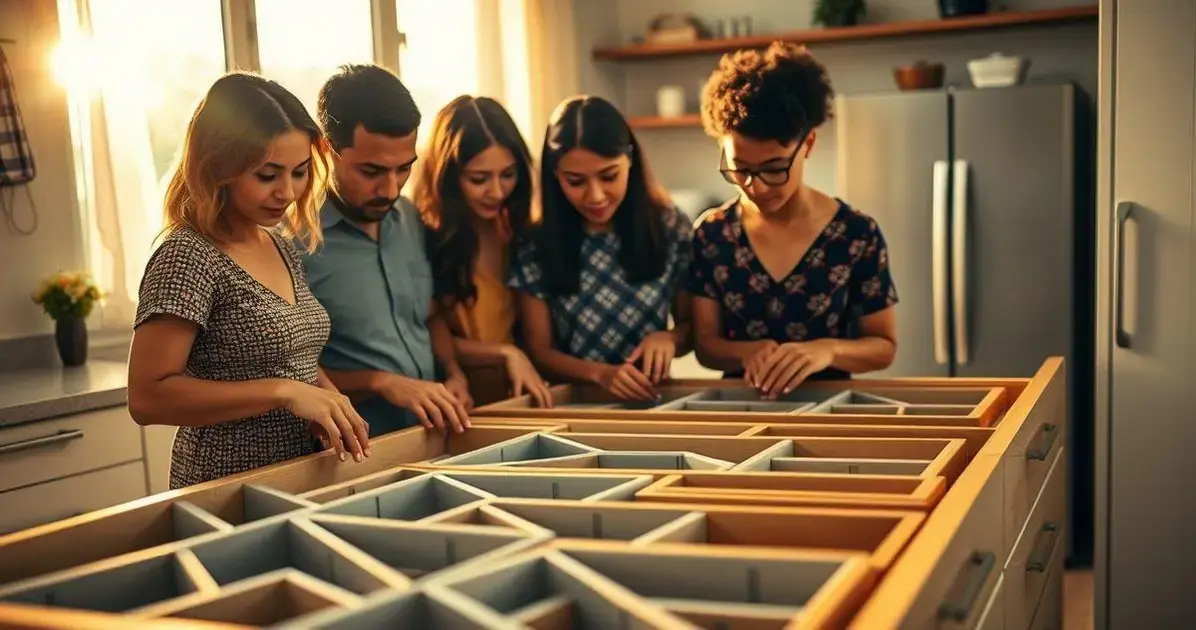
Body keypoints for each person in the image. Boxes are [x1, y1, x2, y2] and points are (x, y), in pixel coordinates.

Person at [127, 72, 371, 491]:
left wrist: (332, 406)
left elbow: (290, 358)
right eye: (267, 175)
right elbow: (147, 398)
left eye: (299, 172)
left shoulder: (279, 244)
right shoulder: (187, 255)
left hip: (297, 477)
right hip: (224, 486)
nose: (288, 192)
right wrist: (283, 392)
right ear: (218, 166)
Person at [689, 42, 899, 398]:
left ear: (808, 145)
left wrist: (828, 350)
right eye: (740, 169)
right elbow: (705, 344)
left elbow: (883, 346)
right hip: (738, 408)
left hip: (831, 412)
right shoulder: (712, 234)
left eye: (774, 168)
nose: (755, 187)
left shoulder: (856, 234)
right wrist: (745, 352)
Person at [302, 64, 472, 437]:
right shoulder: (292, 243)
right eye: (372, 171)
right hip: (355, 450)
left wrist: (453, 372)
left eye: (404, 169)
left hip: (432, 438)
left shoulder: (410, 218)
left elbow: (428, 317)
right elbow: (291, 372)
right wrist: (380, 382)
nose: (391, 189)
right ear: (326, 150)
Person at [509, 95, 693, 402]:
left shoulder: (669, 226)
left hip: (654, 400)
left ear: (630, 160)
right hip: (571, 405)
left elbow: (692, 329)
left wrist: (669, 339)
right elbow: (539, 352)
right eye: (575, 181)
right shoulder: (535, 242)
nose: (595, 196)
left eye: (609, 176)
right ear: (555, 174)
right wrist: (600, 374)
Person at [412, 95, 553, 408]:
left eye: (508, 175)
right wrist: (503, 353)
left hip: (524, 401)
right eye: (479, 179)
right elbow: (424, 332)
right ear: (449, 177)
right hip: (459, 404)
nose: (497, 191)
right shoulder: (425, 236)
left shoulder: (519, 233)